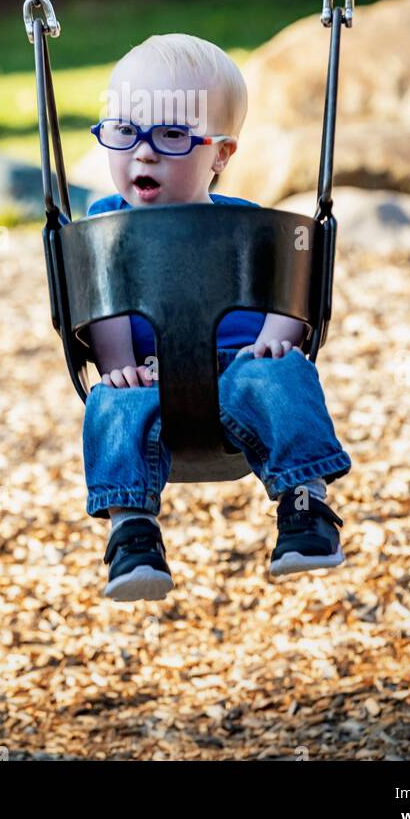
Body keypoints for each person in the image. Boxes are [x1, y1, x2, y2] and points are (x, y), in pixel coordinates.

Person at [82, 33, 352, 602]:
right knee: (113, 401)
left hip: (242, 368)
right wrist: (117, 362)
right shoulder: (105, 221)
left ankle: (306, 512)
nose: (144, 153)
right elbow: (99, 297)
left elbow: (290, 291)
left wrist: (276, 340)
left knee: (283, 376)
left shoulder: (247, 224)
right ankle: (132, 533)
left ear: (221, 155)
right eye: (125, 132)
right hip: (149, 373)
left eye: (173, 135)